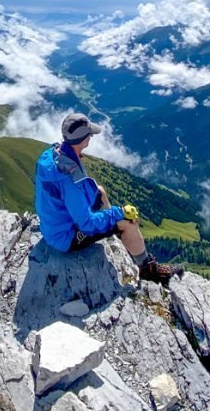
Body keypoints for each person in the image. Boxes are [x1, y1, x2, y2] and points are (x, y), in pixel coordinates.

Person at [34, 112, 184, 285]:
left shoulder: (51, 154)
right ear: (82, 139)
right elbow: (86, 224)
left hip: (53, 225)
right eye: (89, 134)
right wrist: (117, 213)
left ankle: (114, 233)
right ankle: (148, 269)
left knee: (99, 191)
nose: (91, 136)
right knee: (128, 222)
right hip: (65, 238)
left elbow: (59, 192)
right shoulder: (70, 177)